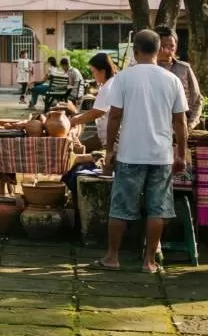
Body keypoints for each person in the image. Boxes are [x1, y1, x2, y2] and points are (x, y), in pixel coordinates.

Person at [92, 29, 189, 274]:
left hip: (130, 154)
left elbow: (114, 116)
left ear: (135, 51)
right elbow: (180, 122)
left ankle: (112, 257)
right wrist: (181, 154)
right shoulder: (172, 80)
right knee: (158, 209)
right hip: (161, 155)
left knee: (120, 208)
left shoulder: (124, 78)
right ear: (158, 50)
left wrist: (109, 149)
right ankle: (149, 262)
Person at [156, 26, 202, 130]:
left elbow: (197, 99)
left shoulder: (184, 68)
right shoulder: (149, 70)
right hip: (157, 126)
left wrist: (192, 123)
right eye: (163, 46)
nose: (168, 50)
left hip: (182, 124)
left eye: (172, 46)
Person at [70, 52, 117, 152]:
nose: (92, 75)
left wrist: (74, 121)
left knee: (75, 150)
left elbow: (96, 113)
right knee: (80, 146)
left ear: (102, 71)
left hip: (112, 140)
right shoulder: (110, 83)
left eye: (93, 71)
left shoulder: (108, 87)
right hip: (106, 135)